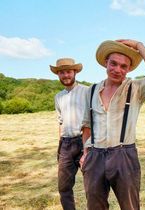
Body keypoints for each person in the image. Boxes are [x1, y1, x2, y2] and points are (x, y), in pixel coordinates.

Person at [80, 39, 145, 210]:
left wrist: (139, 45)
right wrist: (85, 152)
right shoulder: (91, 91)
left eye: (123, 66)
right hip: (95, 156)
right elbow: (87, 125)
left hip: (124, 155)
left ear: (128, 69)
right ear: (106, 63)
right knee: (95, 206)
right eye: (113, 64)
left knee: (130, 206)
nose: (117, 70)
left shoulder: (136, 89)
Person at [50, 58, 89, 210]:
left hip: (84, 142)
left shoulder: (87, 91)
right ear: (58, 75)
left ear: (75, 72)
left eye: (68, 71)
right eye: (61, 72)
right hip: (65, 144)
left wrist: (90, 146)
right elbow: (60, 122)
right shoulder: (58, 97)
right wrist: (59, 145)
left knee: (92, 185)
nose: (65, 75)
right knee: (64, 187)